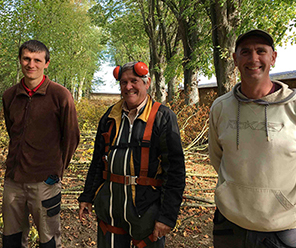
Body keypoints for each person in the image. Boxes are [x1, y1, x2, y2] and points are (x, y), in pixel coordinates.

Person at [78, 61, 185, 248]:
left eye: (134, 81)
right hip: (110, 208)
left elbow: (175, 170)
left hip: (147, 210)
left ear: (147, 82)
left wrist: (167, 216)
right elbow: (97, 161)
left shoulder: (163, 117)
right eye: (123, 82)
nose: (128, 87)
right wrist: (87, 196)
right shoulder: (109, 117)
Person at [208, 29, 296, 248]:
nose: (253, 58)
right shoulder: (220, 107)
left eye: (261, 51)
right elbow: (217, 158)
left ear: (273, 57)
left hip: (283, 227)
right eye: (246, 52)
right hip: (230, 223)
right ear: (235, 59)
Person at [2, 40, 80, 248]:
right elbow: (14, 132)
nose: (31, 64)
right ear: (20, 60)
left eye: (37, 60)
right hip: (13, 180)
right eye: (26, 58)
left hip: (45, 181)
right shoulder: (10, 95)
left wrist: (56, 172)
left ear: (46, 63)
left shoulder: (60, 95)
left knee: (48, 239)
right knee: (11, 239)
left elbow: (72, 137)